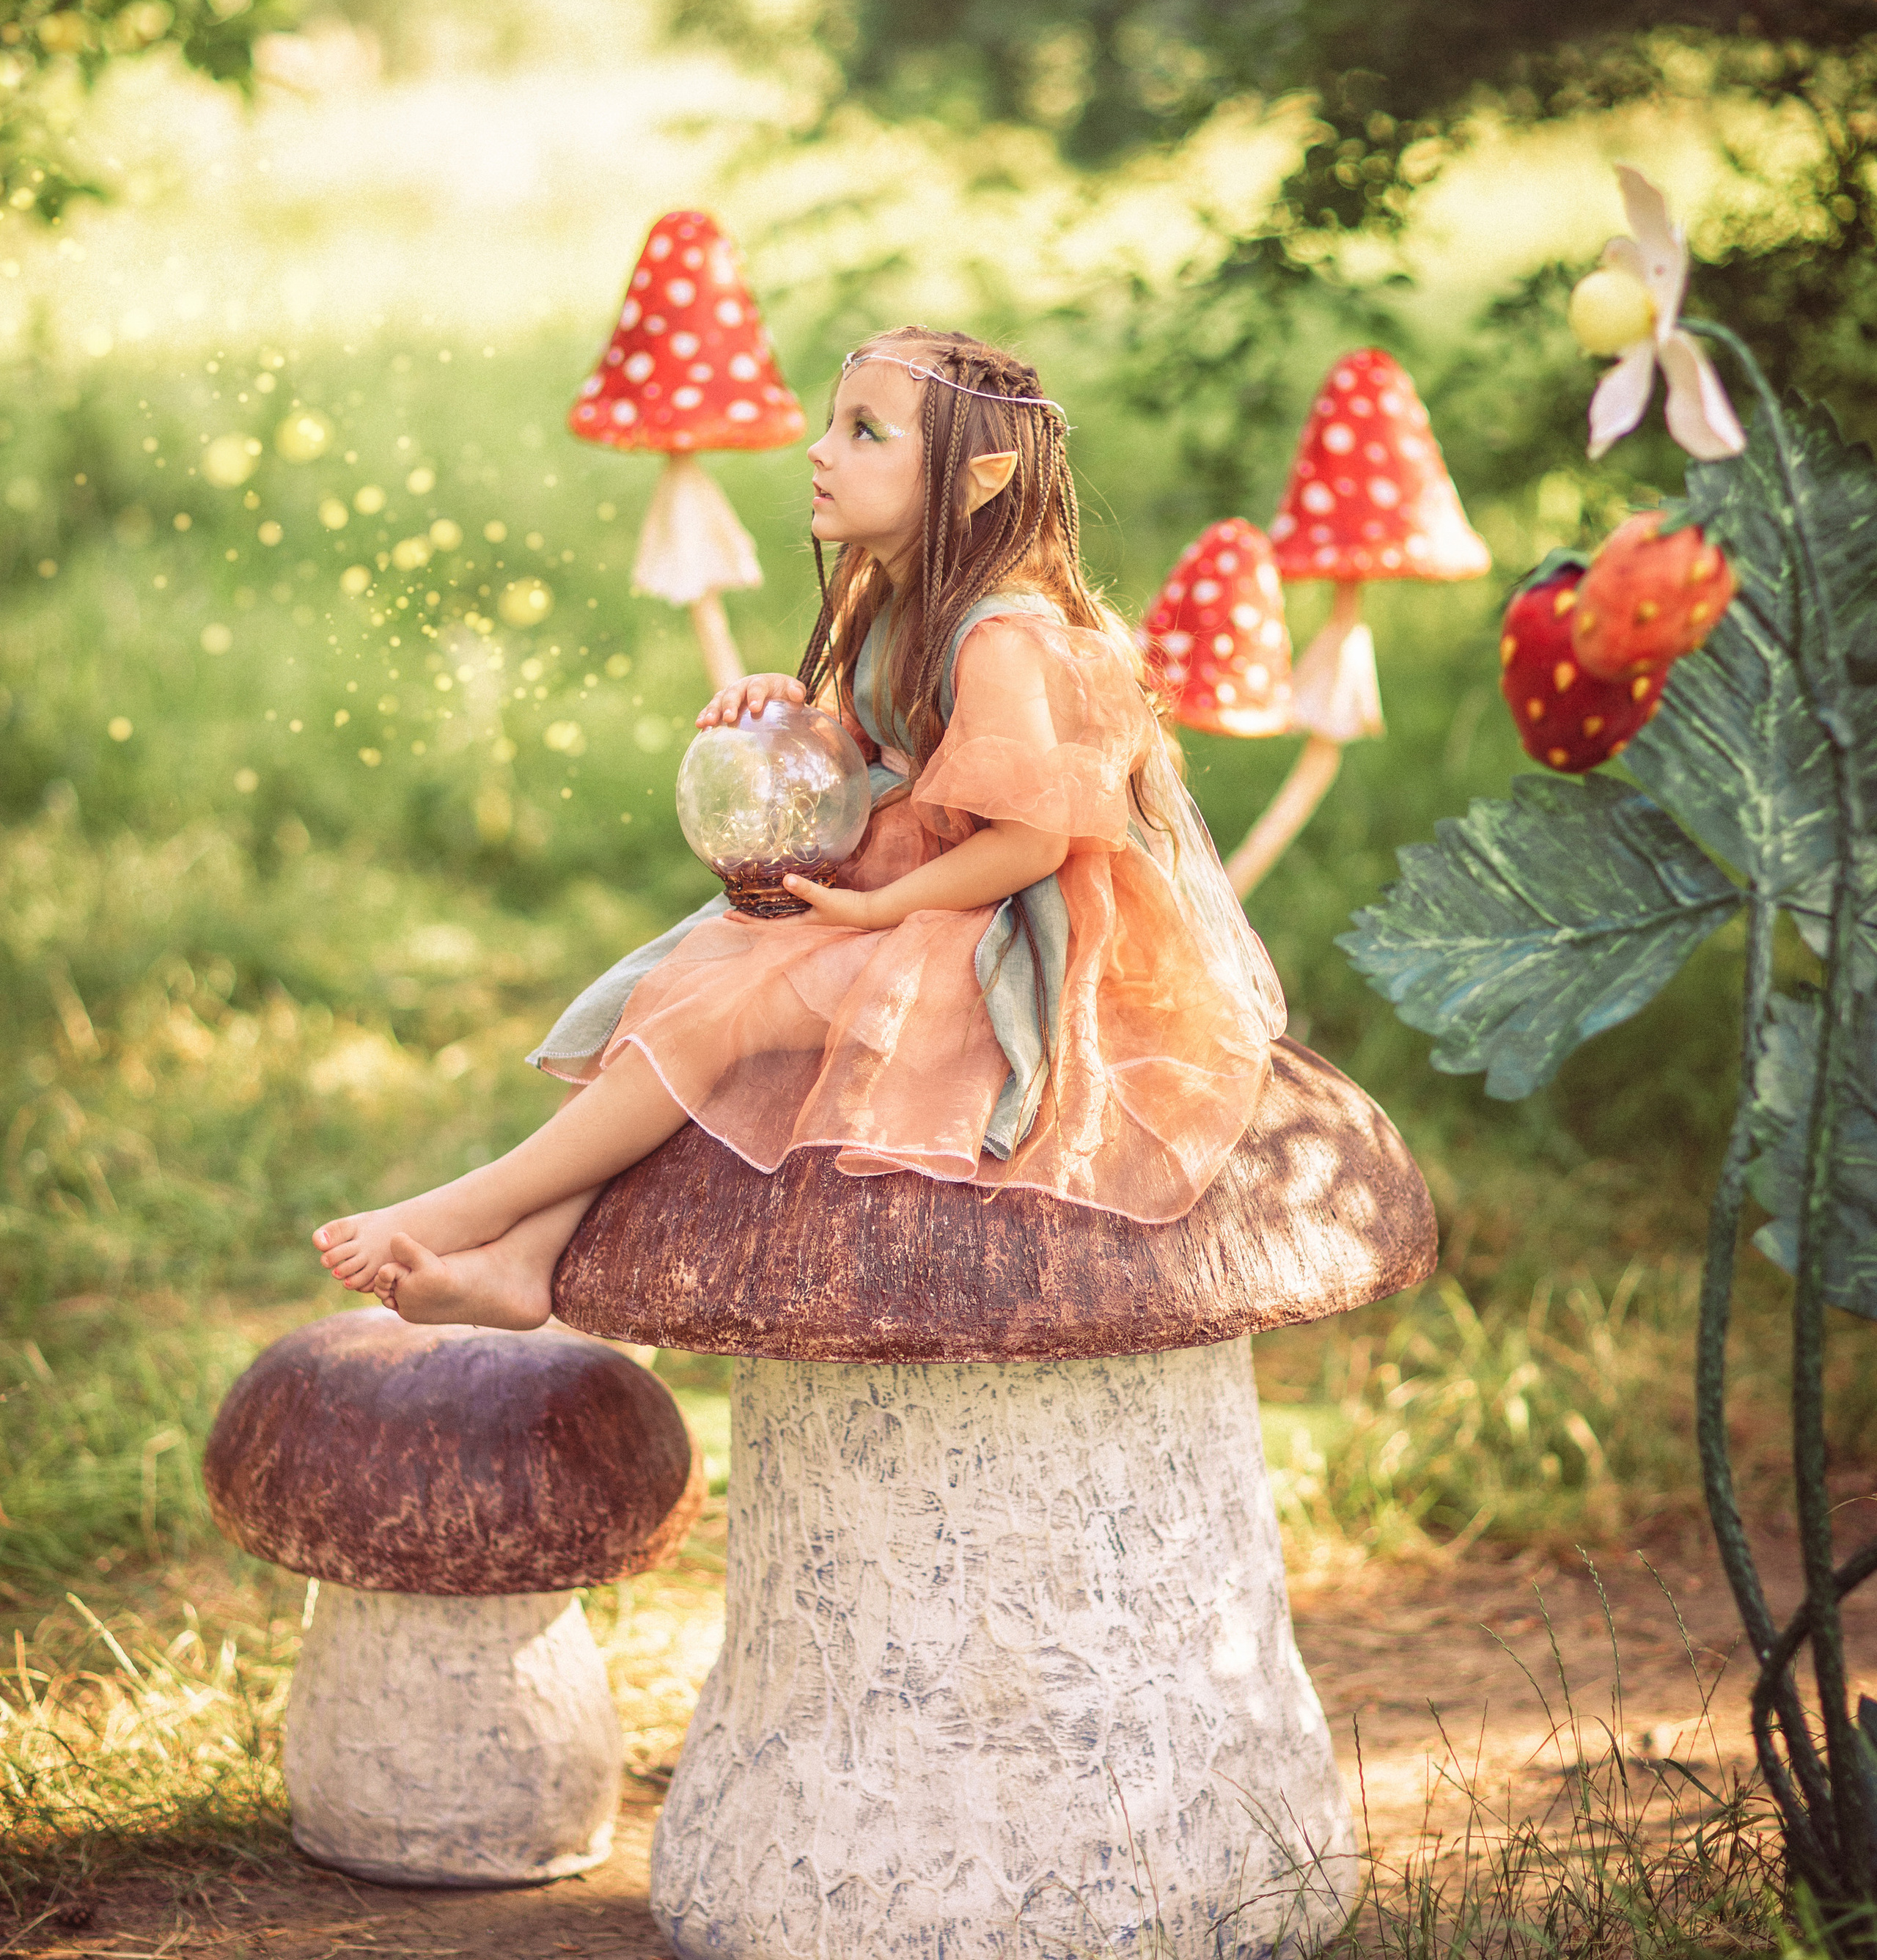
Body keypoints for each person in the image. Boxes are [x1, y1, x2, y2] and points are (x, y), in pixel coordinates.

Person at [312, 329, 1286, 1328]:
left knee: (715, 1015)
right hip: (903, 891)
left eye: (865, 432)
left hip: (996, 926)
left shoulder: (999, 638)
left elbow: (1031, 844)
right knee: (673, 984)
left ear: (975, 480)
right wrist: (796, 711)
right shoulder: (887, 600)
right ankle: (526, 1257)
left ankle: (476, 1206)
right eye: (831, 425)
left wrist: (881, 906)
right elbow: (879, 763)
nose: (821, 452)